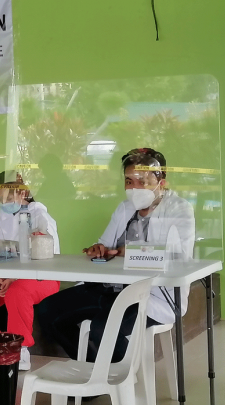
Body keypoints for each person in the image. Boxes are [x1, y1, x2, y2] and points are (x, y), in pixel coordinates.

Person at [36, 148, 195, 370]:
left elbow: (178, 258)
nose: (134, 188)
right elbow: (106, 244)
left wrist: (125, 251)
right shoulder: (125, 208)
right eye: (129, 181)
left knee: (103, 327)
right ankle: (95, 371)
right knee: (48, 311)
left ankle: (124, 379)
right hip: (110, 289)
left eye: (143, 181)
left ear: (162, 182)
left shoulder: (179, 209)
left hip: (153, 295)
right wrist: (99, 249)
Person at [0, 171, 61, 371]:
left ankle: (20, 350)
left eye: (9, 197)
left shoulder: (39, 214)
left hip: (42, 276)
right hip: (8, 275)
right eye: (0, 199)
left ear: (22, 193)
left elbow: (43, 254)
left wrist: (14, 278)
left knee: (18, 291)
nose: (4, 202)